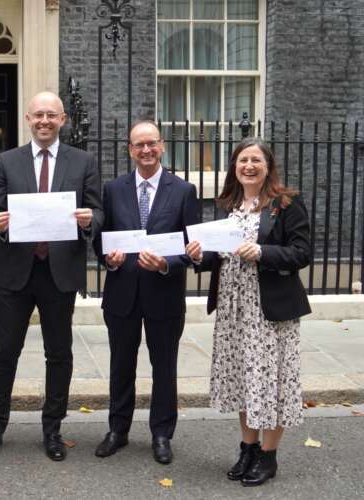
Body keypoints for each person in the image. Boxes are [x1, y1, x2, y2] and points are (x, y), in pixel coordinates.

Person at [0, 91, 103, 462]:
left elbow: (98, 211)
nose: (44, 121)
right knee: (6, 351)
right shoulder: (7, 161)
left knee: (59, 353)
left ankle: (53, 428)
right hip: (15, 272)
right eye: (38, 115)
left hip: (59, 273)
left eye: (51, 115)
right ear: (28, 119)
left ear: (62, 119)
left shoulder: (83, 161)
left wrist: (89, 220)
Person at [186, 137, 310, 487]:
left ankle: (268, 457)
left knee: (271, 382)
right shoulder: (231, 204)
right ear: (235, 167)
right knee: (244, 379)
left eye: (256, 160)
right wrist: (199, 256)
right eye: (243, 160)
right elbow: (220, 254)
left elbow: (301, 253)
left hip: (268, 310)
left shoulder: (286, 204)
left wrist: (262, 252)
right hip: (233, 309)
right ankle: (248, 449)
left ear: (268, 166)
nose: (249, 166)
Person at [93, 120, 198, 465]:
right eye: (139, 145)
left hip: (164, 294)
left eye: (151, 143)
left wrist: (167, 263)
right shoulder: (113, 190)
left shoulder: (183, 190)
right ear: (130, 150)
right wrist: (108, 259)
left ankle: (162, 434)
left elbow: (195, 248)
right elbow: (101, 239)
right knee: (120, 366)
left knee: (164, 368)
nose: (146, 150)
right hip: (122, 293)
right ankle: (117, 430)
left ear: (162, 146)